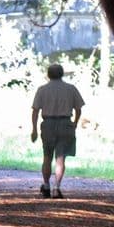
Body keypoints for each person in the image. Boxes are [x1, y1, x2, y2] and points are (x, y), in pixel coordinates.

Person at [31, 63, 85, 199]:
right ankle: (57, 188)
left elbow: (35, 111)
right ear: (62, 74)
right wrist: (74, 124)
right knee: (60, 158)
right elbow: (78, 109)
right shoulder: (71, 89)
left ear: (48, 74)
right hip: (65, 123)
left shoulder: (42, 90)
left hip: (48, 124)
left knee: (47, 156)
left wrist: (34, 129)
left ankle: (46, 186)